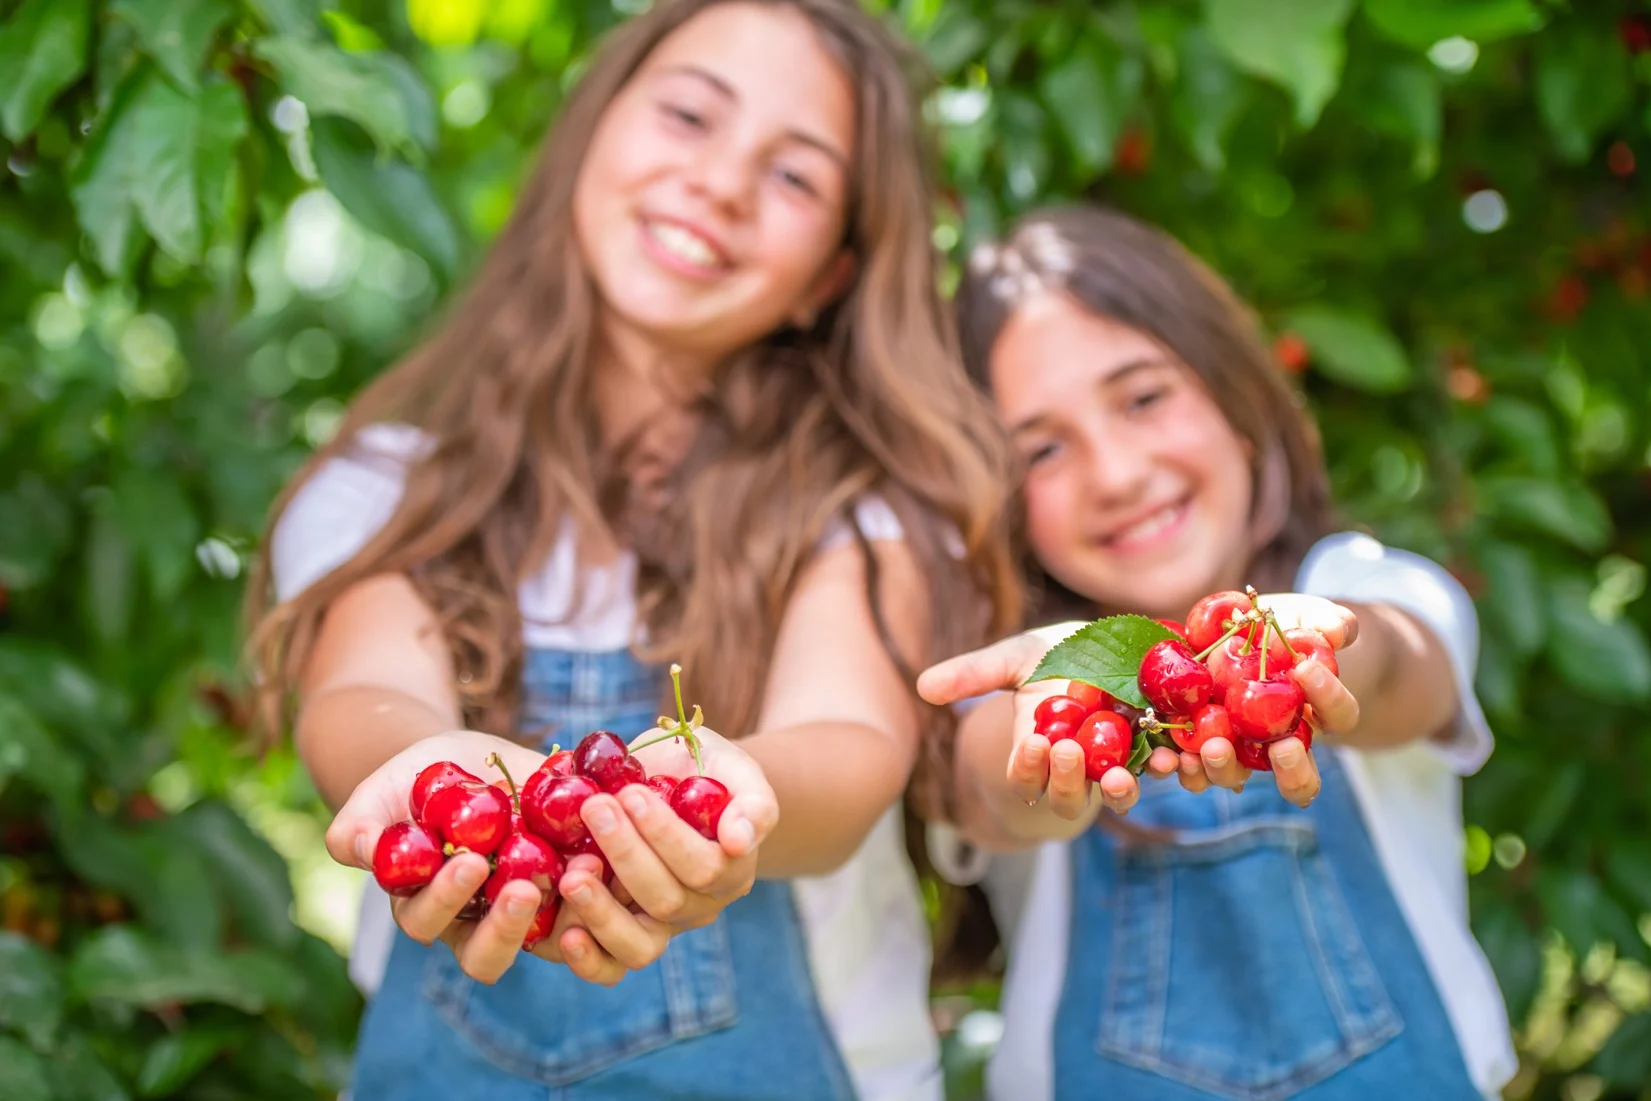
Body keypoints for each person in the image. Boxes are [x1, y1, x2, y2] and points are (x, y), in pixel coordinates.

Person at [246, 2, 1019, 1098]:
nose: (718, 181)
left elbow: (844, 746)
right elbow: (366, 688)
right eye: (689, 115)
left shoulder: (857, 505)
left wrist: (730, 795)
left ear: (830, 278)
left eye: (794, 176)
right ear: (591, 130)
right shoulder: (392, 482)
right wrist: (422, 769)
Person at [918, 206, 1517, 1101]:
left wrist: (1290, 652)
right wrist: (1059, 720)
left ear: (1236, 401)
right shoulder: (1019, 670)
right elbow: (989, 785)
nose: (1116, 472)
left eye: (1143, 397)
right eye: (1041, 449)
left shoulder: (1355, 579)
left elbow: (1396, 660)